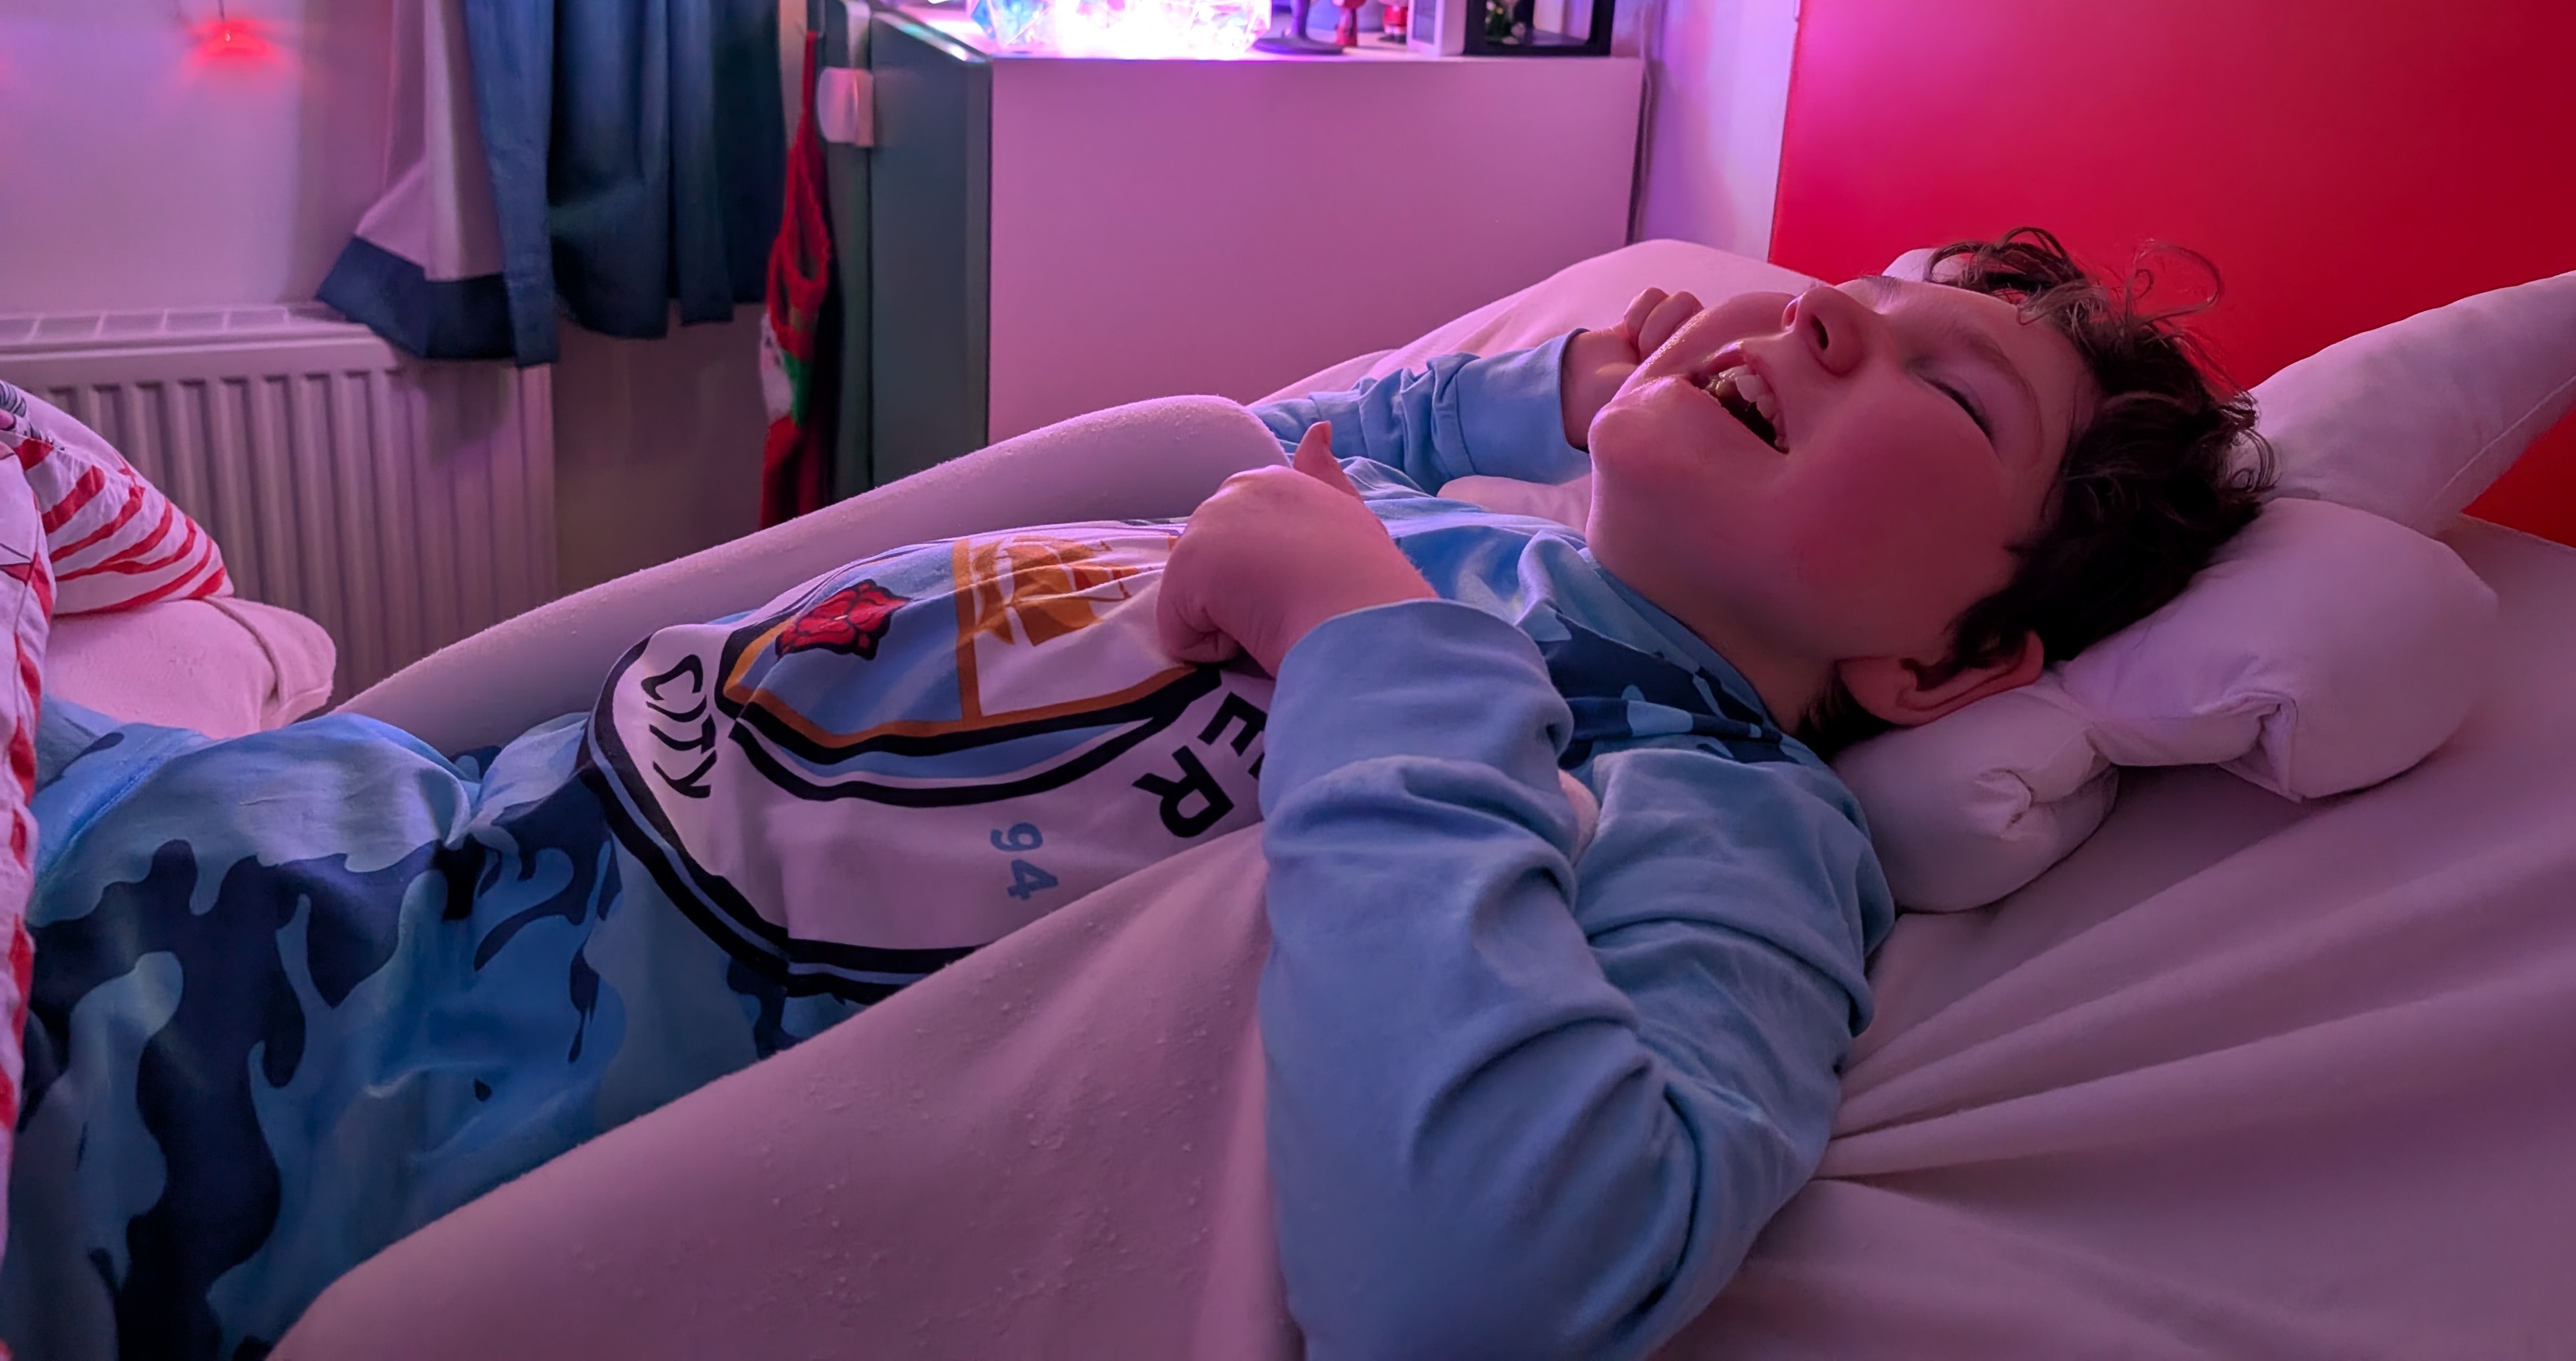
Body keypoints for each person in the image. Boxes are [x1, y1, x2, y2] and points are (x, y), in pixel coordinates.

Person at [5, 231, 2263, 1358]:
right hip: (298, 820)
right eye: (1851, 287)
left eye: (1948, 386)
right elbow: (1324, 435)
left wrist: (1364, 648)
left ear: (1951, 664)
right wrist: (1545, 386)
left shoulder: (1732, 818)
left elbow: (1508, 1269)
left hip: (244, 1103)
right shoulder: (1479, 529)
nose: (1823, 317)